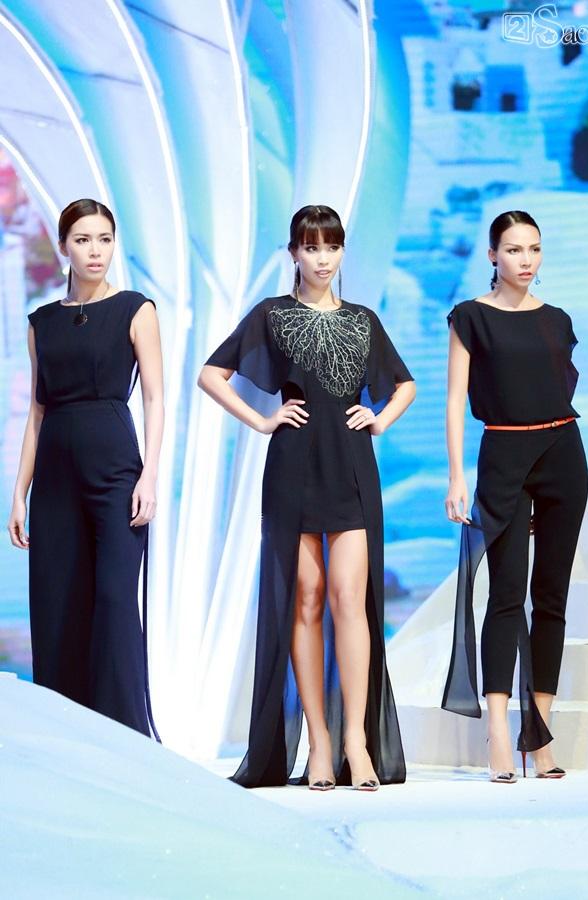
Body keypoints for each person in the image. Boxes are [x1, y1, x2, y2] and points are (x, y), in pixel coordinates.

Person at [199, 205, 416, 789]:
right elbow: (211, 375)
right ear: (293, 252)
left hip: (350, 467)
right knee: (307, 600)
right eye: (311, 247)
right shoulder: (272, 315)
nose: (323, 258)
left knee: (351, 599)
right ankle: (318, 741)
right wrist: (262, 420)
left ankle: (356, 742)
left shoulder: (363, 320)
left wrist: (379, 419)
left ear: (342, 251)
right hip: (293, 465)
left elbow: (405, 385)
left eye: (332, 247)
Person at [7, 198, 164, 738]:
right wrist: (19, 492)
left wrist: (149, 475)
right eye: (82, 240)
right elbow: (37, 411)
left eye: (104, 239)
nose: (95, 251)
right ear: (63, 247)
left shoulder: (136, 309)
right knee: (58, 605)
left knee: (116, 601)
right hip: (55, 478)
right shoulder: (42, 322)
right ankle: (69, 744)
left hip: (117, 471)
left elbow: (155, 397)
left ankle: (127, 741)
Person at [443, 210, 588, 781]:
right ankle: (499, 732)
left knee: (551, 595)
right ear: (492, 256)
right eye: (513, 250)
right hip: (502, 454)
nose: (525, 260)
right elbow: (455, 400)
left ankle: (539, 735)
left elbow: (558, 388)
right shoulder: (471, 317)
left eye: (534, 249)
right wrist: (457, 476)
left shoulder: (557, 319)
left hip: (562, 453)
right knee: (505, 592)